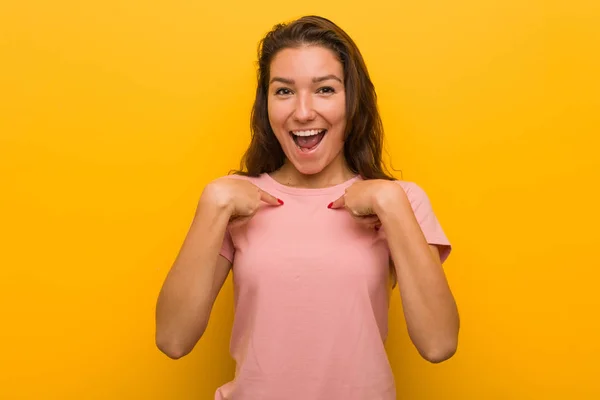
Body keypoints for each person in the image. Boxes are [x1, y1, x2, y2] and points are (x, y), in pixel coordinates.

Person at [155, 15, 460, 400]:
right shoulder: (234, 202)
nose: (302, 112)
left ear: (353, 100)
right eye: (283, 91)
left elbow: (439, 344)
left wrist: (390, 204)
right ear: (265, 103)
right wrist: (213, 204)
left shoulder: (400, 201)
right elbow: (172, 338)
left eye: (325, 90)